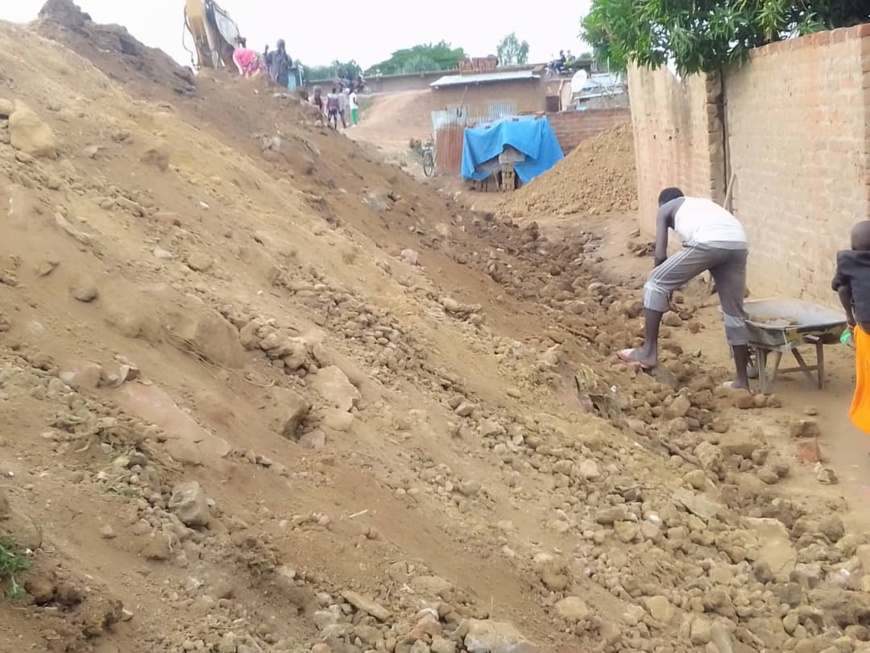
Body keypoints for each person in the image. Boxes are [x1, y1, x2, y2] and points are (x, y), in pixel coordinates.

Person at [617, 187, 751, 389]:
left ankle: (648, 352)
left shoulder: (665, 209)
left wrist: (664, 286)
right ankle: (742, 380)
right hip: (738, 243)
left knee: (654, 283)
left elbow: (660, 255)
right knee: (734, 313)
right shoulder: (700, 205)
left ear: (662, 204)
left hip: (709, 241)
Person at [832, 221, 870, 433]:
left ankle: (850, 325)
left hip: (866, 326)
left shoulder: (848, 260)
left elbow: (839, 286)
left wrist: (850, 318)